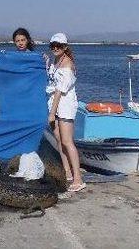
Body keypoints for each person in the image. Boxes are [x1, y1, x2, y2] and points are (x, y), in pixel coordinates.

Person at [44, 33, 85, 192]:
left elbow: (60, 91)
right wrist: (47, 62)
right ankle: (67, 172)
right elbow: (52, 79)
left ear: (65, 47)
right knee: (59, 138)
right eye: (53, 45)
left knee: (67, 141)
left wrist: (52, 113)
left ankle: (78, 179)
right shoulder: (56, 60)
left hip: (65, 104)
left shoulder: (67, 65)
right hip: (54, 102)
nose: (55, 48)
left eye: (59, 45)